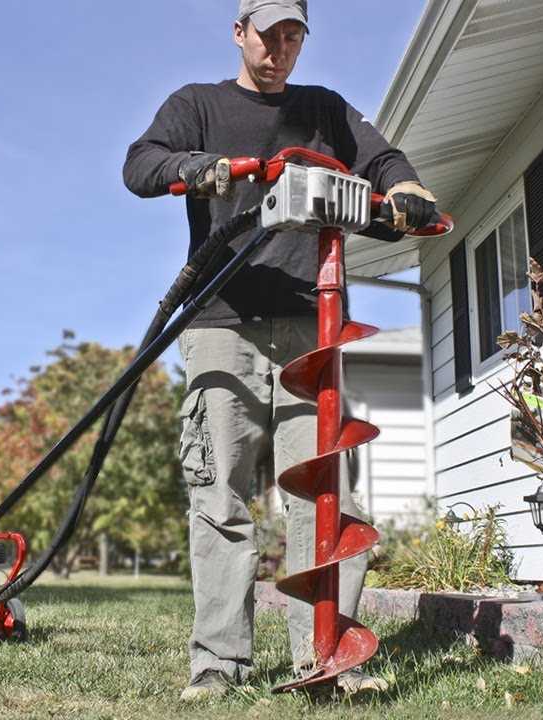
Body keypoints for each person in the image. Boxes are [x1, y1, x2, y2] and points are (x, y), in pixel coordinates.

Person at [121, 0, 438, 701]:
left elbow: (382, 158)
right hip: (220, 324)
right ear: (240, 33)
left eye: (294, 37)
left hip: (310, 327)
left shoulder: (324, 109)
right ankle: (218, 664)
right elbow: (140, 164)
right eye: (270, 36)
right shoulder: (196, 105)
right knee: (220, 494)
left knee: (322, 493)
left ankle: (327, 657)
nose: (281, 49)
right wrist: (201, 168)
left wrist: (405, 189)